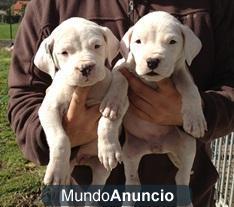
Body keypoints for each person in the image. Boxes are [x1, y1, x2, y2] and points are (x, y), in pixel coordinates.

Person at [7, 0, 234, 206]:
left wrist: (197, 111)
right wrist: (61, 139)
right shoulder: (50, 5)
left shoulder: (215, 5)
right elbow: (23, 96)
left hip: (181, 194)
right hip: (78, 193)